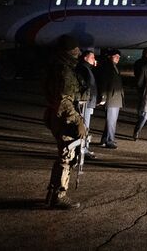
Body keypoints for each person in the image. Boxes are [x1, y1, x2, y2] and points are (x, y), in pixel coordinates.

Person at [43, 35, 86, 209]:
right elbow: (64, 101)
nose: (79, 52)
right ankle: (58, 196)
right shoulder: (65, 71)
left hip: (57, 116)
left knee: (63, 155)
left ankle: (52, 194)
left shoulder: (56, 67)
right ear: (70, 51)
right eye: (76, 49)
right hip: (65, 120)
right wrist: (78, 122)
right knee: (66, 157)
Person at [97, 49, 124, 149]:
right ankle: (109, 140)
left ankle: (105, 139)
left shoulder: (113, 66)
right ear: (110, 56)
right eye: (115, 56)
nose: (118, 58)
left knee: (111, 120)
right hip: (111, 98)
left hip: (115, 97)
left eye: (119, 57)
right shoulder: (107, 67)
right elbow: (104, 83)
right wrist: (103, 97)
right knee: (111, 121)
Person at [76, 50, 99, 159]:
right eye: (92, 57)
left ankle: (83, 148)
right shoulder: (83, 69)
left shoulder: (87, 68)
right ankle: (82, 149)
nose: (94, 59)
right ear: (85, 58)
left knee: (86, 125)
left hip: (89, 102)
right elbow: (85, 86)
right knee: (84, 126)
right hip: (85, 102)